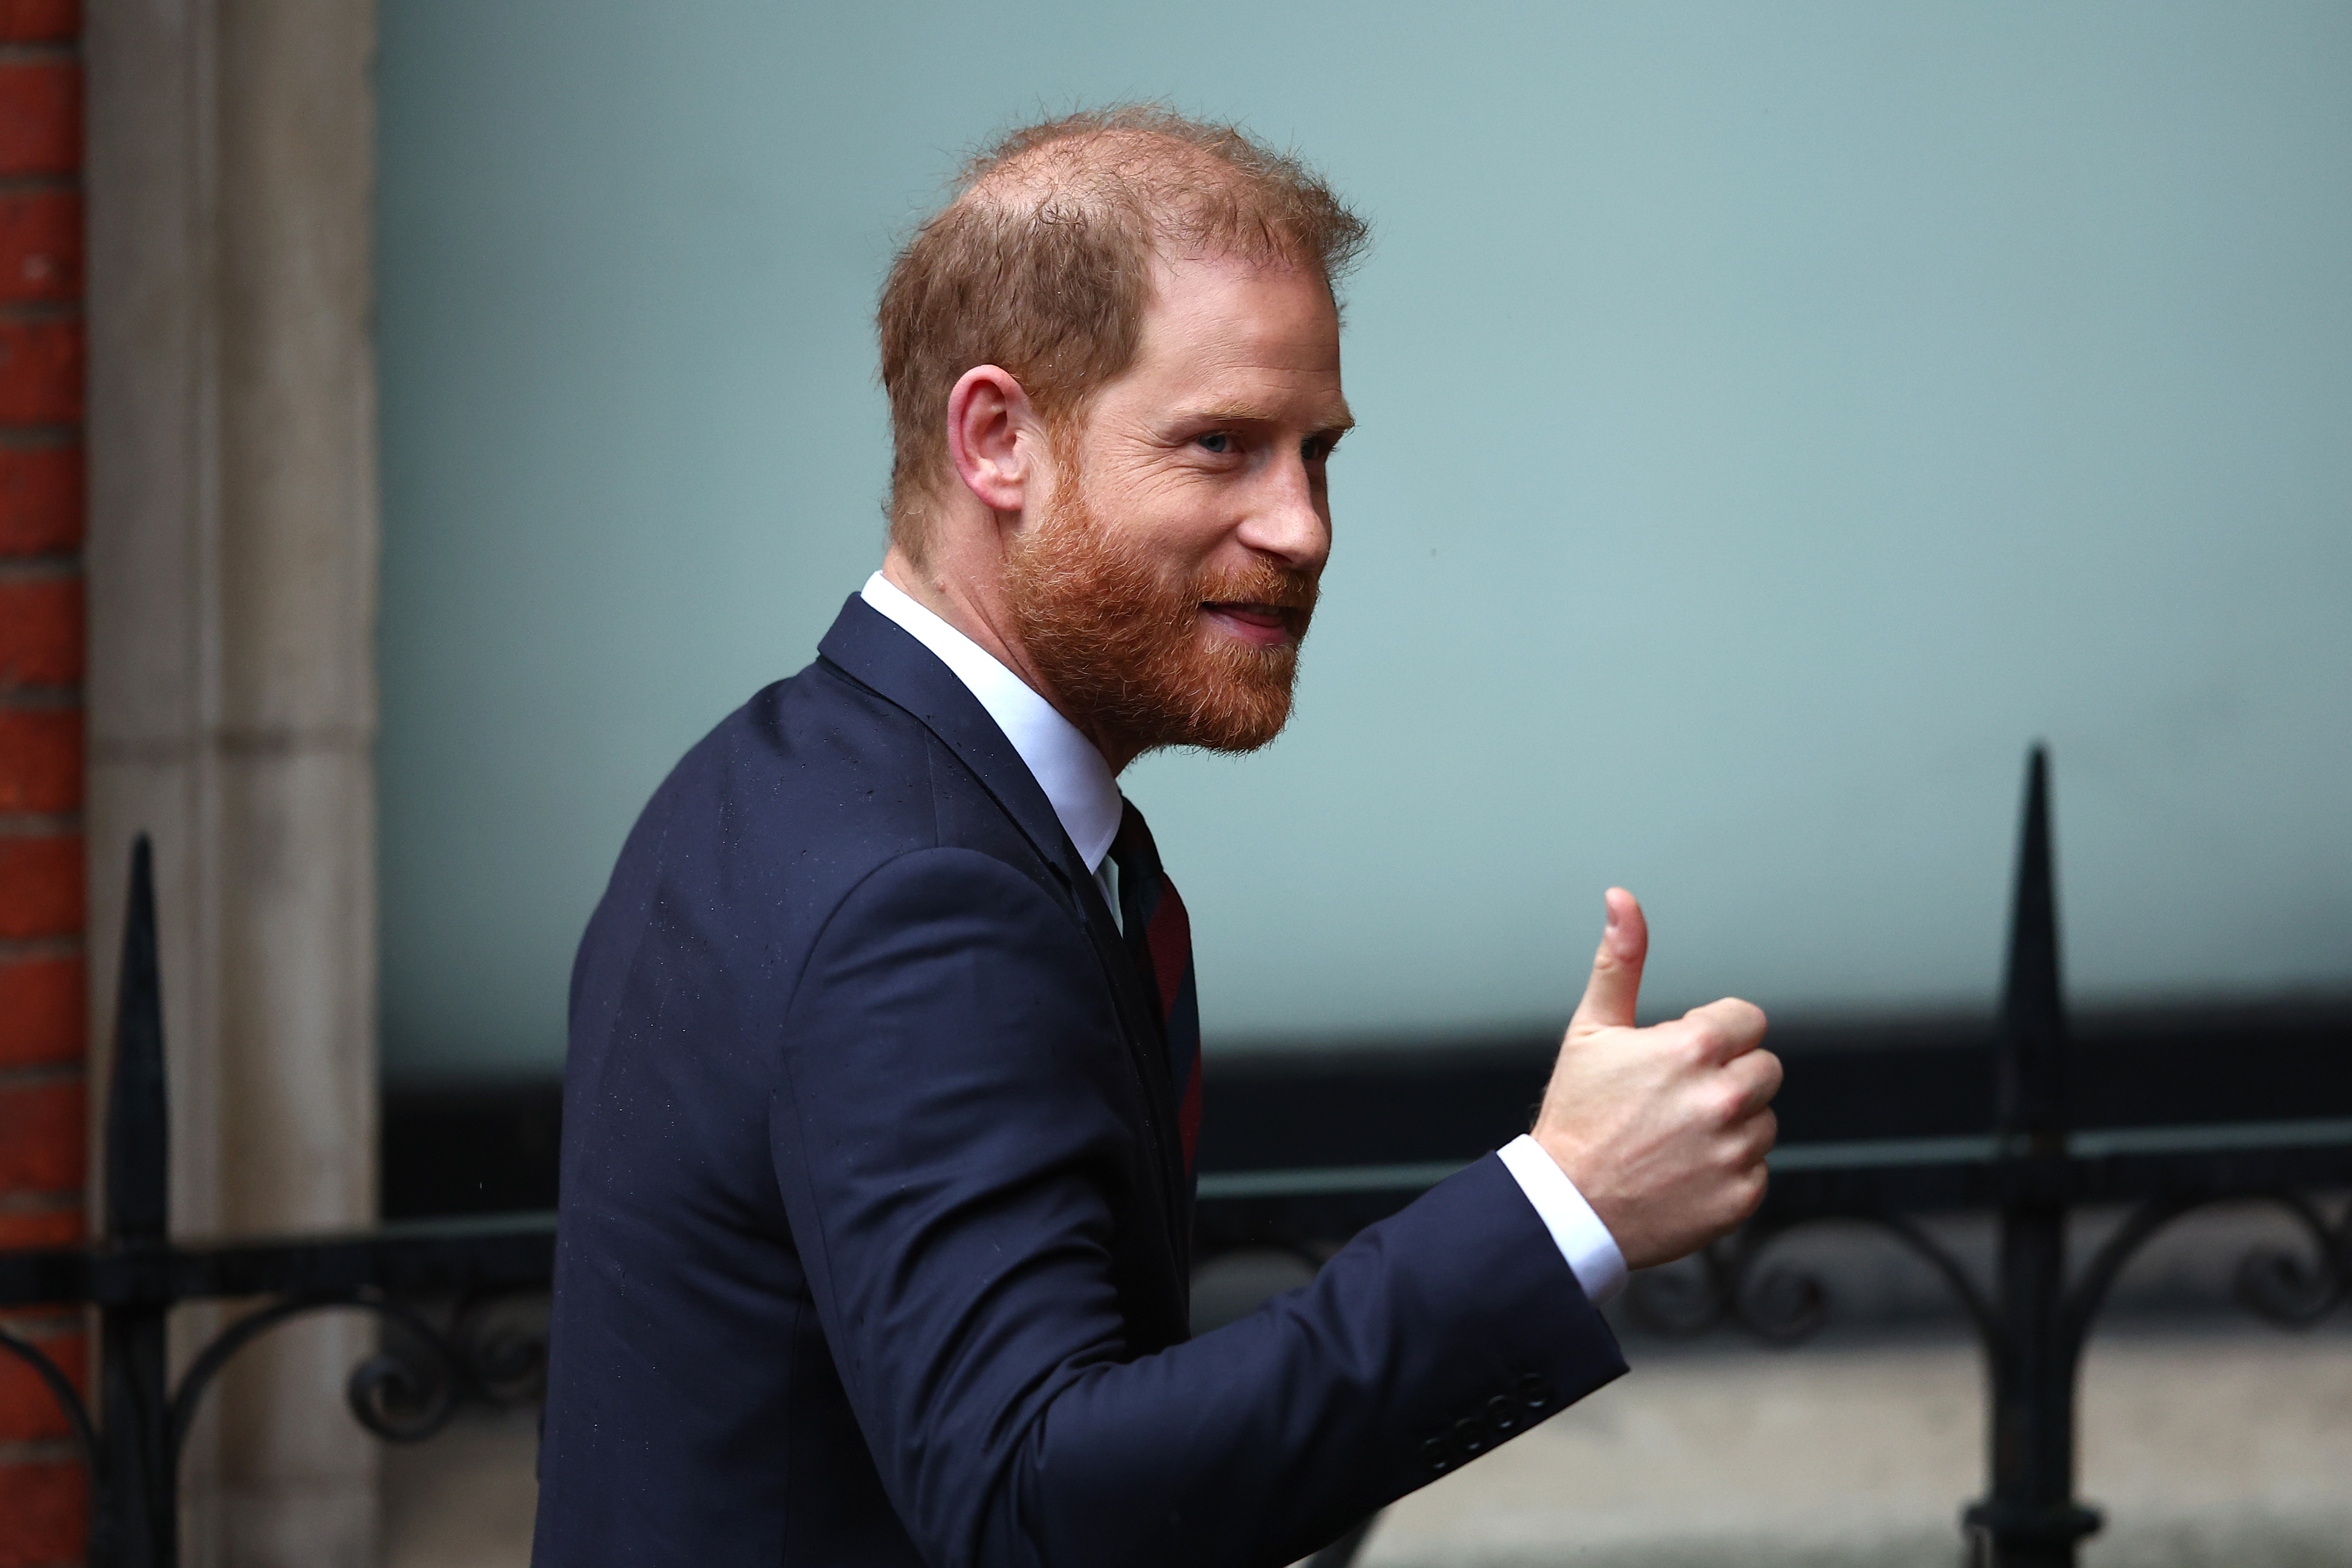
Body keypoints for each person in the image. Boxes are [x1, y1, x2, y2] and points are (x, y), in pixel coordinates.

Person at [532, 107, 1780, 1568]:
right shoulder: (919, 898)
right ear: (998, 439)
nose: (1301, 525)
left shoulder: (774, 774)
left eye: (1315, 453)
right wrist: (1567, 1206)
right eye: (1220, 446)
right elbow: (1035, 1505)